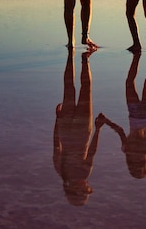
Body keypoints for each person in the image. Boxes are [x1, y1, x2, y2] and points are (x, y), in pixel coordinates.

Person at [98, 51, 146, 179]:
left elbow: (120, 131)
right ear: (144, 163)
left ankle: (138, 56)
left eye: (134, 165)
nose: (136, 161)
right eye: (139, 164)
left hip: (136, 113)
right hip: (144, 112)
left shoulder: (128, 149)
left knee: (133, 82)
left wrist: (106, 121)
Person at [52, 49, 107, 205]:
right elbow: (56, 144)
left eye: (85, 189)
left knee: (86, 88)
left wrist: (98, 129)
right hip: (65, 130)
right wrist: (57, 120)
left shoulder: (84, 173)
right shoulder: (60, 171)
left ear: (76, 190)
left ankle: (85, 59)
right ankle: (70, 56)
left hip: (83, 131)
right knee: (69, 88)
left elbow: (92, 151)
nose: (87, 185)